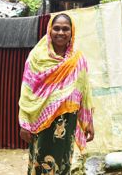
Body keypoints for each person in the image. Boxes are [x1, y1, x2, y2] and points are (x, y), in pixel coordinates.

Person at [18, 13, 94, 175]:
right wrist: (24, 123)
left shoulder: (78, 59)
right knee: (40, 162)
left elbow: (85, 91)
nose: (61, 32)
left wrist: (88, 122)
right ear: (49, 30)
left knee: (63, 162)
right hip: (41, 121)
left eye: (65, 29)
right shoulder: (36, 57)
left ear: (72, 33)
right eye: (56, 28)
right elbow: (27, 92)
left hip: (67, 120)